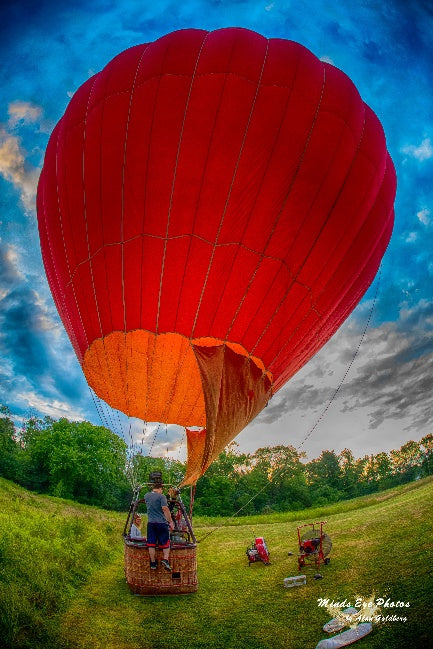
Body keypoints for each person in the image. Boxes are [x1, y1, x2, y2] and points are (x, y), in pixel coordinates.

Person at [144, 482, 175, 571]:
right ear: (160, 489)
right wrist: (170, 521)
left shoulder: (146, 496)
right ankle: (165, 560)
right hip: (161, 523)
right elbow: (165, 508)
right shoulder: (161, 497)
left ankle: (153, 563)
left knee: (151, 544)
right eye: (162, 490)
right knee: (166, 543)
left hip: (151, 523)